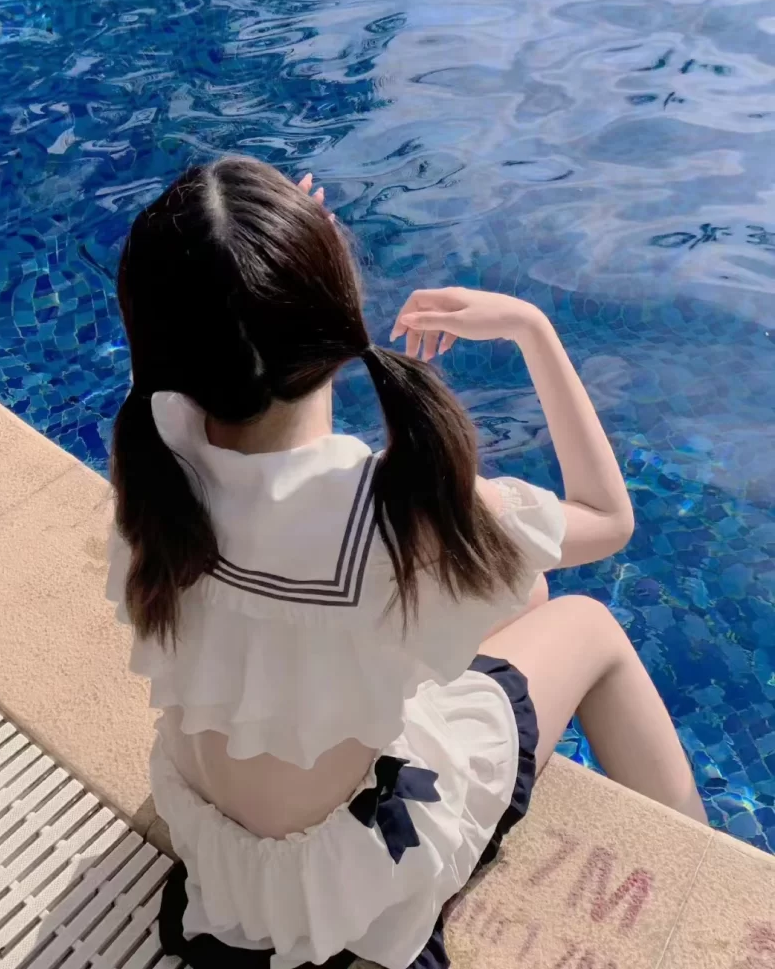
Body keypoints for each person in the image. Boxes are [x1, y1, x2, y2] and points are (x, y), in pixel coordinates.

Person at [106, 156, 707, 969]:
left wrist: (261, 265)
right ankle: (707, 882)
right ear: (330, 308)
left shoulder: (154, 453)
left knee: (523, 588)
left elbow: (181, 341)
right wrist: (531, 326)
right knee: (588, 623)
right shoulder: (397, 516)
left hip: (225, 852)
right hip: (349, 884)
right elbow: (609, 516)